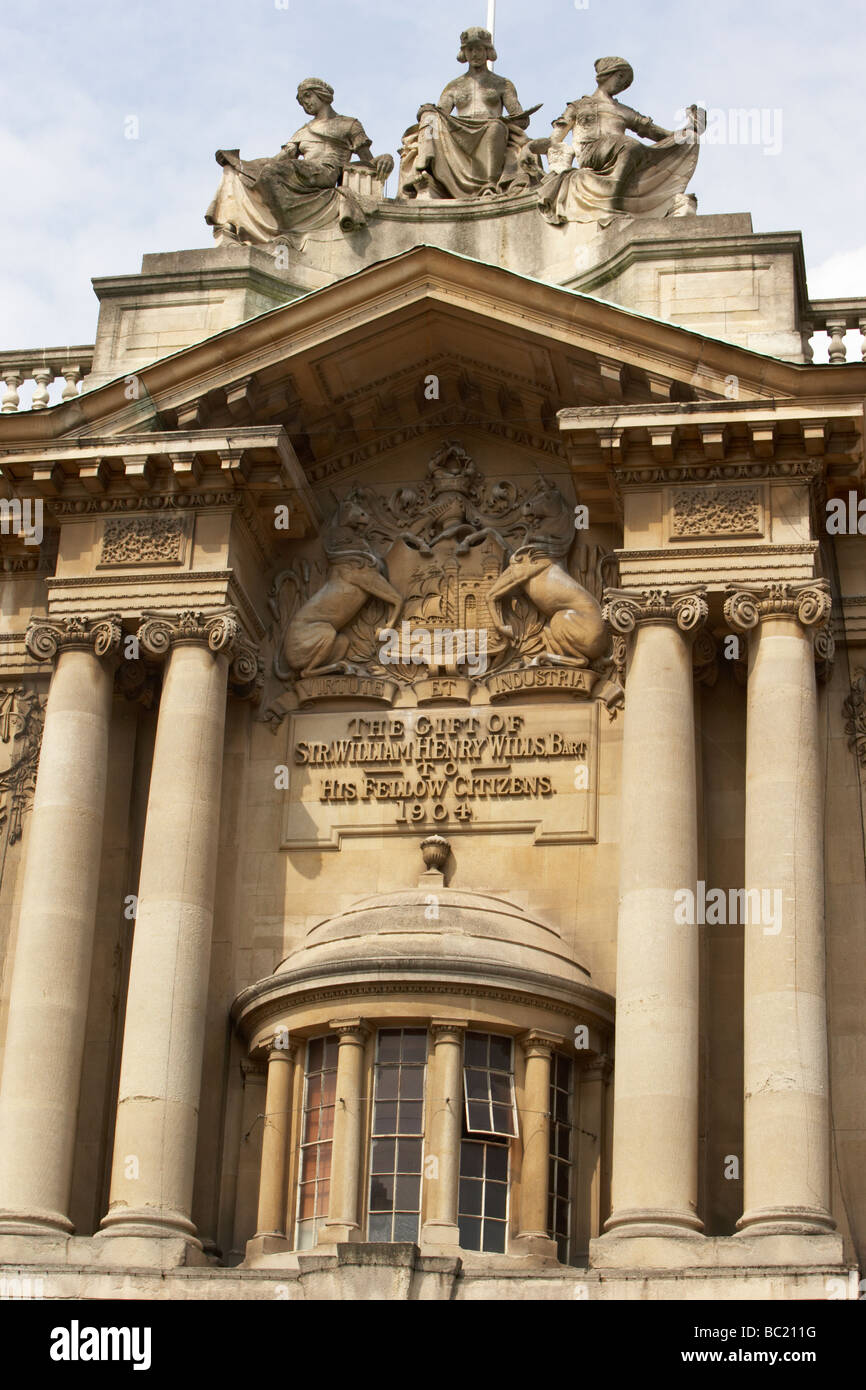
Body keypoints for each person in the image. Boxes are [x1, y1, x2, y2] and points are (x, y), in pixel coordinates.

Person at [206, 78, 393, 243]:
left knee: (275, 171)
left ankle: (283, 225)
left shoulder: (349, 124)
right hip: (302, 171)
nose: (306, 104)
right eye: (303, 101)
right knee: (268, 173)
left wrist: (385, 158)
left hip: (325, 171)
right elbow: (278, 159)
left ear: (322, 95)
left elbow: (367, 158)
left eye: (308, 97)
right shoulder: (303, 131)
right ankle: (278, 226)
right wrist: (241, 164)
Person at [534, 57, 705, 226]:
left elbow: (656, 133)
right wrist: (530, 148)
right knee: (629, 145)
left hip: (620, 150)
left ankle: (615, 196)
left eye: (626, 82)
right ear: (606, 74)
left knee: (634, 147)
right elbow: (554, 139)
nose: (623, 84)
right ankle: (612, 200)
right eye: (621, 77)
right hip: (591, 152)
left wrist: (689, 131)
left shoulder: (623, 110)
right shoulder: (579, 106)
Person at [398, 27, 540, 200]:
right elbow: (441, 113)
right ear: (464, 53)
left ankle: (490, 184)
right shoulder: (454, 86)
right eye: (470, 49)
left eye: (479, 49)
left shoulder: (502, 83)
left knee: (496, 126)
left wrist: (518, 119)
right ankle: (424, 171)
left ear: (487, 51)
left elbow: (520, 118)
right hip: (459, 131)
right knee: (430, 118)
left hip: (490, 128)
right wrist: (426, 110)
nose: (475, 54)